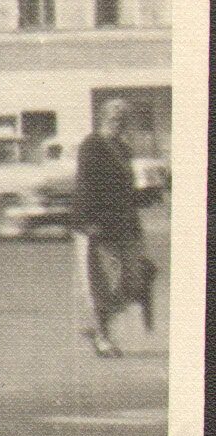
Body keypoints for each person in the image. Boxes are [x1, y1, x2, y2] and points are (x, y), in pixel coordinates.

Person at [70, 98, 155, 358]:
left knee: (134, 280)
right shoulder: (92, 146)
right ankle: (100, 335)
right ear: (103, 118)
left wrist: (148, 194)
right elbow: (86, 185)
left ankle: (95, 327)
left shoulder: (123, 148)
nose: (119, 123)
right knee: (106, 282)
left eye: (123, 119)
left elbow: (124, 190)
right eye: (114, 118)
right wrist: (88, 222)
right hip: (100, 226)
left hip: (126, 224)